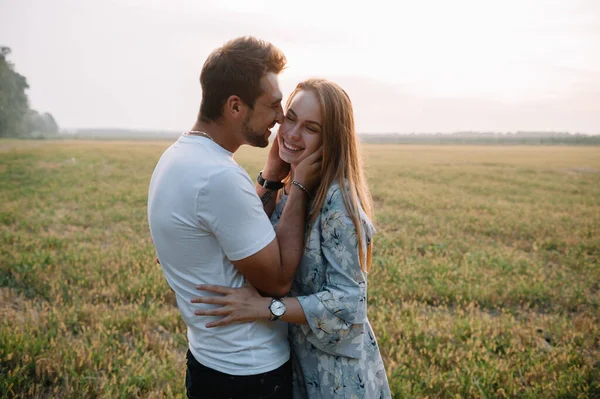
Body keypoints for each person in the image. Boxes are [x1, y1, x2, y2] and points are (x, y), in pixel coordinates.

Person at [191, 79, 392, 398]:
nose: (293, 133)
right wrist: (270, 176)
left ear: (331, 141)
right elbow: (245, 236)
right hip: (292, 361)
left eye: (311, 128)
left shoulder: (336, 198)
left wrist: (265, 308)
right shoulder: (287, 187)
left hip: (334, 376)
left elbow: (350, 300)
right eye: (291, 118)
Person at [147, 37, 321, 399]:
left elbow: (239, 234)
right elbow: (277, 280)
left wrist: (271, 180)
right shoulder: (219, 177)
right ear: (235, 106)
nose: (279, 118)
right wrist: (299, 186)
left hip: (208, 362)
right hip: (249, 373)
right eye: (273, 106)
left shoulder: (177, 158)